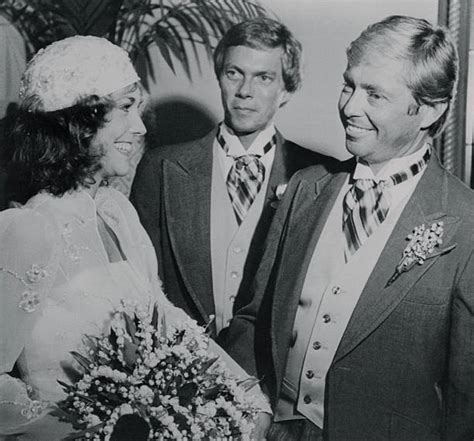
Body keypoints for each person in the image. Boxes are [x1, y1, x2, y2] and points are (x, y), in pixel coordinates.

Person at [0, 36, 270, 440]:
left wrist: (246, 397)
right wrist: (90, 432)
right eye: (126, 107)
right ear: (78, 118)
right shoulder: (28, 229)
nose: (140, 127)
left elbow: (169, 324)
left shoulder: (117, 213)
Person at [222, 15, 474, 440]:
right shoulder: (305, 188)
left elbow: (466, 397)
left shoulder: (465, 222)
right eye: (349, 85)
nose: (350, 107)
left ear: (430, 110)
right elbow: (253, 318)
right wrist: (245, 404)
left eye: (374, 94)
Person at [130, 17, 329, 341]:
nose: (244, 92)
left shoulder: (317, 176)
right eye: (234, 73)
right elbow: (139, 285)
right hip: (179, 370)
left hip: (269, 377)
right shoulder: (160, 167)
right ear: (220, 77)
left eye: (263, 78)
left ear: (287, 90)